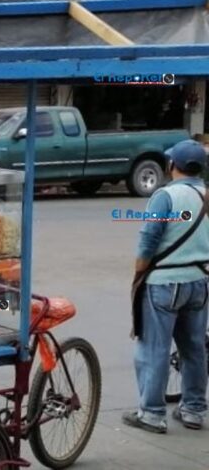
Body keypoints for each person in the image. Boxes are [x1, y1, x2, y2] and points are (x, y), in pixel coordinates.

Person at [124, 139, 208, 434]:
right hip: (199, 282)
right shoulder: (207, 195)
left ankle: (152, 413)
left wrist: (139, 269)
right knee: (195, 348)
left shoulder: (165, 196)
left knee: (154, 350)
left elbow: (148, 239)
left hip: (163, 284)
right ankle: (194, 410)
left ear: (173, 165)